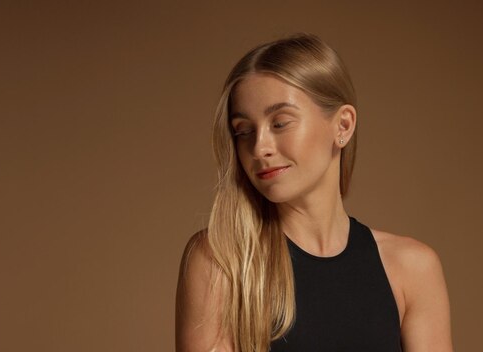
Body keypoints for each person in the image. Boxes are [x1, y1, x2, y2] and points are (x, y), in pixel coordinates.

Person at [175, 33, 453, 352]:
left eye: (280, 123)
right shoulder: (219, 260)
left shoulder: (413, 269)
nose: (259, 147)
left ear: (343, 126)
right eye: (244, 131)